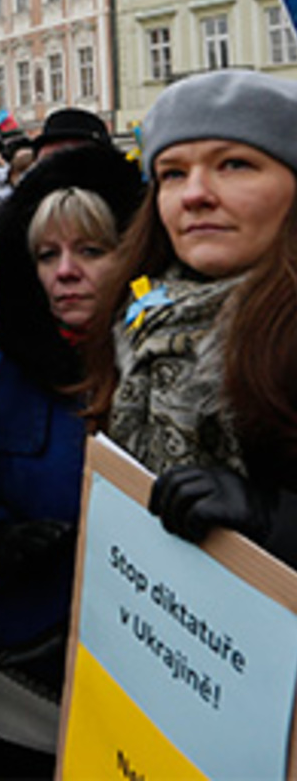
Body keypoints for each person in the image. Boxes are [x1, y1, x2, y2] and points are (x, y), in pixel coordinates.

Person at [0, 145, 142, 770]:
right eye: (48, 254)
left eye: (91, 251)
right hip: (18, 682)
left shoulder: (168, 373)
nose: (67, 271)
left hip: (142, 685)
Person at [85, 70, 297, 564]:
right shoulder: (136, 323)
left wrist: (273, 519)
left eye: (235, 164)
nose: (194, 194)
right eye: (173, 173)